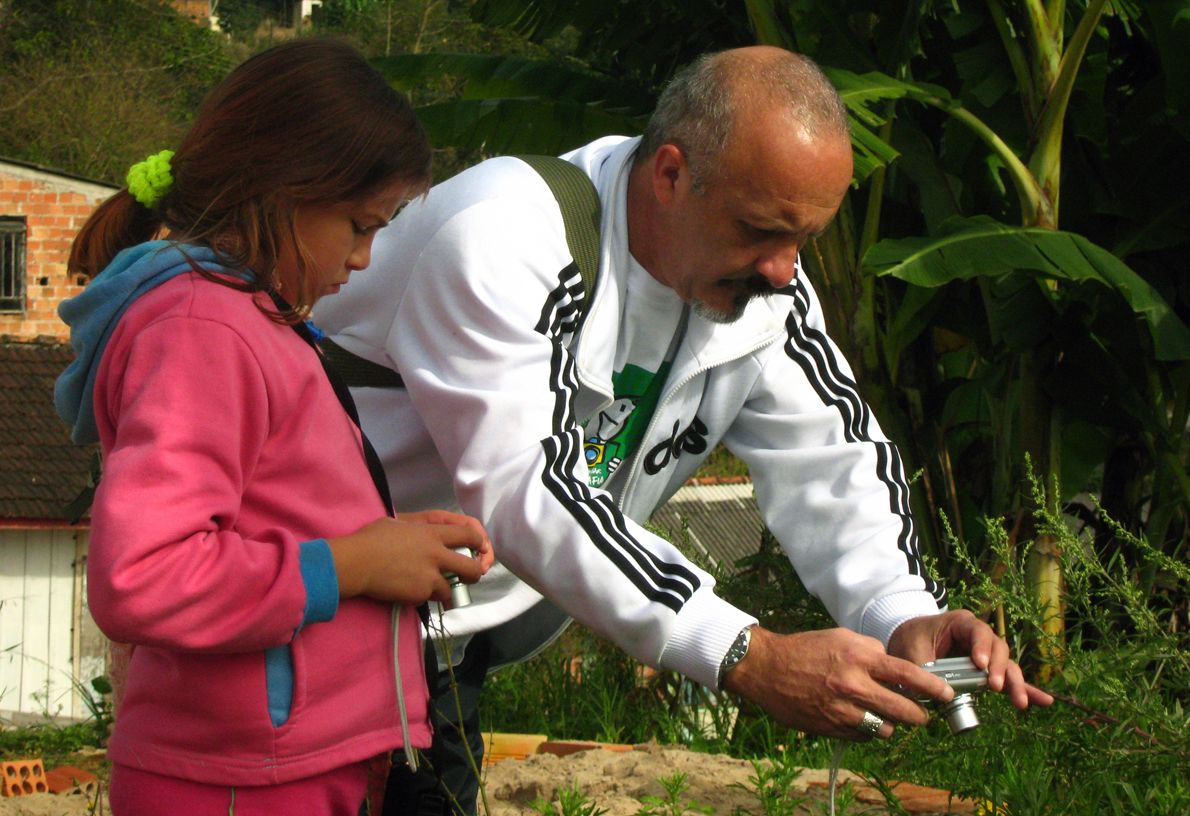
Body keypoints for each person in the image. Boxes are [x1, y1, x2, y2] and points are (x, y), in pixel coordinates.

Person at [312, 45, 1053, 815]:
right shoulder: (503, 233)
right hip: (314, 622)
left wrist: (900, 612)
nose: (783, 271)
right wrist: (746, 654)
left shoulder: (765, 288)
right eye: (761, 230)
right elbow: (528, 489)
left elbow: (833, 457)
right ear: (670, 175)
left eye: (804, 239)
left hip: (442, 654)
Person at [53, 38, 494, 816]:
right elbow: (142, 576)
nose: (364, 258)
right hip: (233, 781)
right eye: (360, 224)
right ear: (284, 189)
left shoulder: (253, 321)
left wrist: (391, 544)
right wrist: (352, 564)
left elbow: (272, 514)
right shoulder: (204, 329)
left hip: (288, 764)